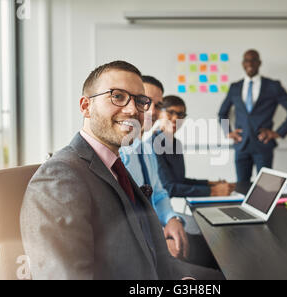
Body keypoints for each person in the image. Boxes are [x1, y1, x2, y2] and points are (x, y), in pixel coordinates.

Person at [20, 61, 223, 280]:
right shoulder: (58, 179)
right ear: (85, 106)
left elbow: (145, 243)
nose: (133, 109)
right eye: (117, 96)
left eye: (140, 101)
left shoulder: (114, 167)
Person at [120, 76, 220, 269]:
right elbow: (123, 213)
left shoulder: (147, 150)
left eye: (157, 105)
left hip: (160, 231)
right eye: (144, 102)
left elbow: (159, 193)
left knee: (219, 253)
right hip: (143, 246)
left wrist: (171, 219)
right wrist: (155, 239)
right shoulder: (120, 154)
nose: (152, 111)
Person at [218, 49, 287, 183]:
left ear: (259, 63)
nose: (250, 63)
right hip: (241, 145)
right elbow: (222, 113)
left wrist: (278, 133)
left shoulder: (273, 86)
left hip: (263, 144)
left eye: (253, 60)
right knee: (241, 186)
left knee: (265, 187)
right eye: (246, 60)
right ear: (242, 64)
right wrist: (228, 132)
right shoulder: (235, 87)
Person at [152, 95, 234, 198]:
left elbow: (179, 181)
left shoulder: (176, 143)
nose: (175, 118)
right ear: (159, 113)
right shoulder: (153, 144)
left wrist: (211, 183)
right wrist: (213, 191)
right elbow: (169, 188)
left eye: (180, 115)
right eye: (170, 112)